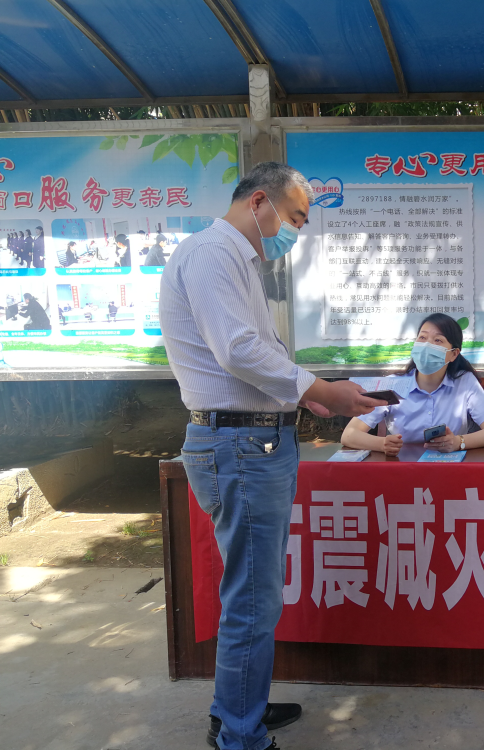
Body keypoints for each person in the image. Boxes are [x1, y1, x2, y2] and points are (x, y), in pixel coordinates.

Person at [159, 162, 386, 750]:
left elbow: (253, 355)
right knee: (253, 597)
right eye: (294, 217)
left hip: (251, 440)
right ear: (259, 202)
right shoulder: (214, 253)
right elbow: (237, 351)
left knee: (255, 591)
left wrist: (308, 397)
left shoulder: (236, 259)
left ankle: (239, 708)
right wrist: (318, 389)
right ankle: (239, 734)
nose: (296, 232)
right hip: (240, 445)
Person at [342, 313, 484, 455]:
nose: (427, 345)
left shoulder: (465, 382)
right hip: (404, 469)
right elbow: (349, 434)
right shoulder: (393, 384)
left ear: (453, 354)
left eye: (438, 340)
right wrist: (382, 444)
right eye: (422, 338)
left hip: (450, 468)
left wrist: (458, 442)